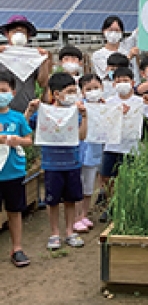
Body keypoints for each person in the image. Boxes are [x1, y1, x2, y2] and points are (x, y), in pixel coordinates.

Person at [25, 72, 88, 250]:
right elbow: (24, 127)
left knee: (70, 200)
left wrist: (85, 117)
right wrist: (30, 110)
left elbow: (82, 136)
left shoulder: (76, 113)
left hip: (73, 163)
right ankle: (54, 233)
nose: (73, 95)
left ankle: (70, 231)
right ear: (56, 94)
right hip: (52, 164)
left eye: (75, 91)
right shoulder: (44, 112)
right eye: (69, 91)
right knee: (52, 201)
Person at [99, 67, 148, 223]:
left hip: (132, 147)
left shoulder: (140, 101)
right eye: (118, 81)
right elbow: (100, 122)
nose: (122, 84)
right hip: (111, 145)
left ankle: (126, 206)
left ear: (133, 83)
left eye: (125, 81)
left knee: (129, 177)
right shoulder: (108, 102)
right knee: (108, 178)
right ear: (113, 84)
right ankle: (110, 206)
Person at [0, 71, 33, 266]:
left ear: (12, 93)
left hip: (13, 172)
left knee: (15, 211)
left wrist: (17, 140)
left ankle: (17, 248)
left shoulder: (17, 118)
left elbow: (28, 140)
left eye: (3, 90)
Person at [73, 74, 105, 233]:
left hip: (94, 151)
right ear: (82, 92)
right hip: (79, 150)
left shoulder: (106, 107)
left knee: (88, 187)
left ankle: (84, 214)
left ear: (102, 88)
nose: (93, 91)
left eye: (96, 88)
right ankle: (76, 218)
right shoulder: (78, 107)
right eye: (88, 89)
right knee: (77, 185)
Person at [0, 15, 50, 112]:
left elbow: (43, 84)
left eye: (22, 32)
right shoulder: (2, 55)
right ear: (7, 34)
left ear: (28, 36)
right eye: (15, 31)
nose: (19, 35)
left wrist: (44, 61)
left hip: (28, 110)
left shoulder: (34, 57)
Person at [91, 15, 140, 84]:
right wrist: (129, 57)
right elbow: (111, 74)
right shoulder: (98, 55)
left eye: (117, 30)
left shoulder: (128, 45)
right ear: (103, 31)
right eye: (110, 30)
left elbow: (139, 30)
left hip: (133, 88)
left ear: (122, 32)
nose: (113, 33)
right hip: (111, 91)